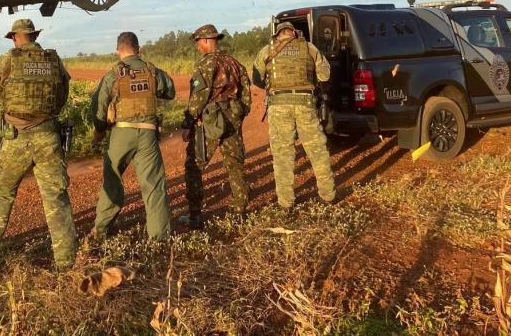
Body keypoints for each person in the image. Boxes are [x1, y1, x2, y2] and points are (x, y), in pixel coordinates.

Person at [0, 19, 77, 274]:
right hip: (48, 137)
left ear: (15, 38)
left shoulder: (4, 61)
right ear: (34, 35)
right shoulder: (54, 60)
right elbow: (61, 97)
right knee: (55, 196)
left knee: (1, 195)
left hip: (15, 138)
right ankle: (66, 262)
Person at [90, 32, 176, 240]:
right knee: (154, 184)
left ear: (118, 50)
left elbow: (98, 107)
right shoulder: (153, 71)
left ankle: (101, 230)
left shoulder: (113, 75)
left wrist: (99, 132)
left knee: (112, 180)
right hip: (148, 132)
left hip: (121, 132)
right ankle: (159, 237)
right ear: (139, 49)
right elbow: (170, 91)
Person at [252, 21, 336, 209]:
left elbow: (256, 78)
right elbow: (325, 75)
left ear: (278, 34)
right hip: (305, 103)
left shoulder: (267, 50)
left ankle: (286, 203)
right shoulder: (309, 47)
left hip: (278, 104)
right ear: (294, 33)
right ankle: (328, 196)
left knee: (283, 155)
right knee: (317, 150)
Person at [179, 24, 252, 229]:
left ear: (204, 41)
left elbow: (198, 96)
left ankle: (195, 216)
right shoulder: (235, 63)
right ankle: (240, 211)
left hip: (209, 123)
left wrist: (188, 122)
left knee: (194, 166)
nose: (197, 47)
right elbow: (246, 93)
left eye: (197, 42)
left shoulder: (205, 64)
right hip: (232, 119)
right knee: (235, 164)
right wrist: (239, 114)